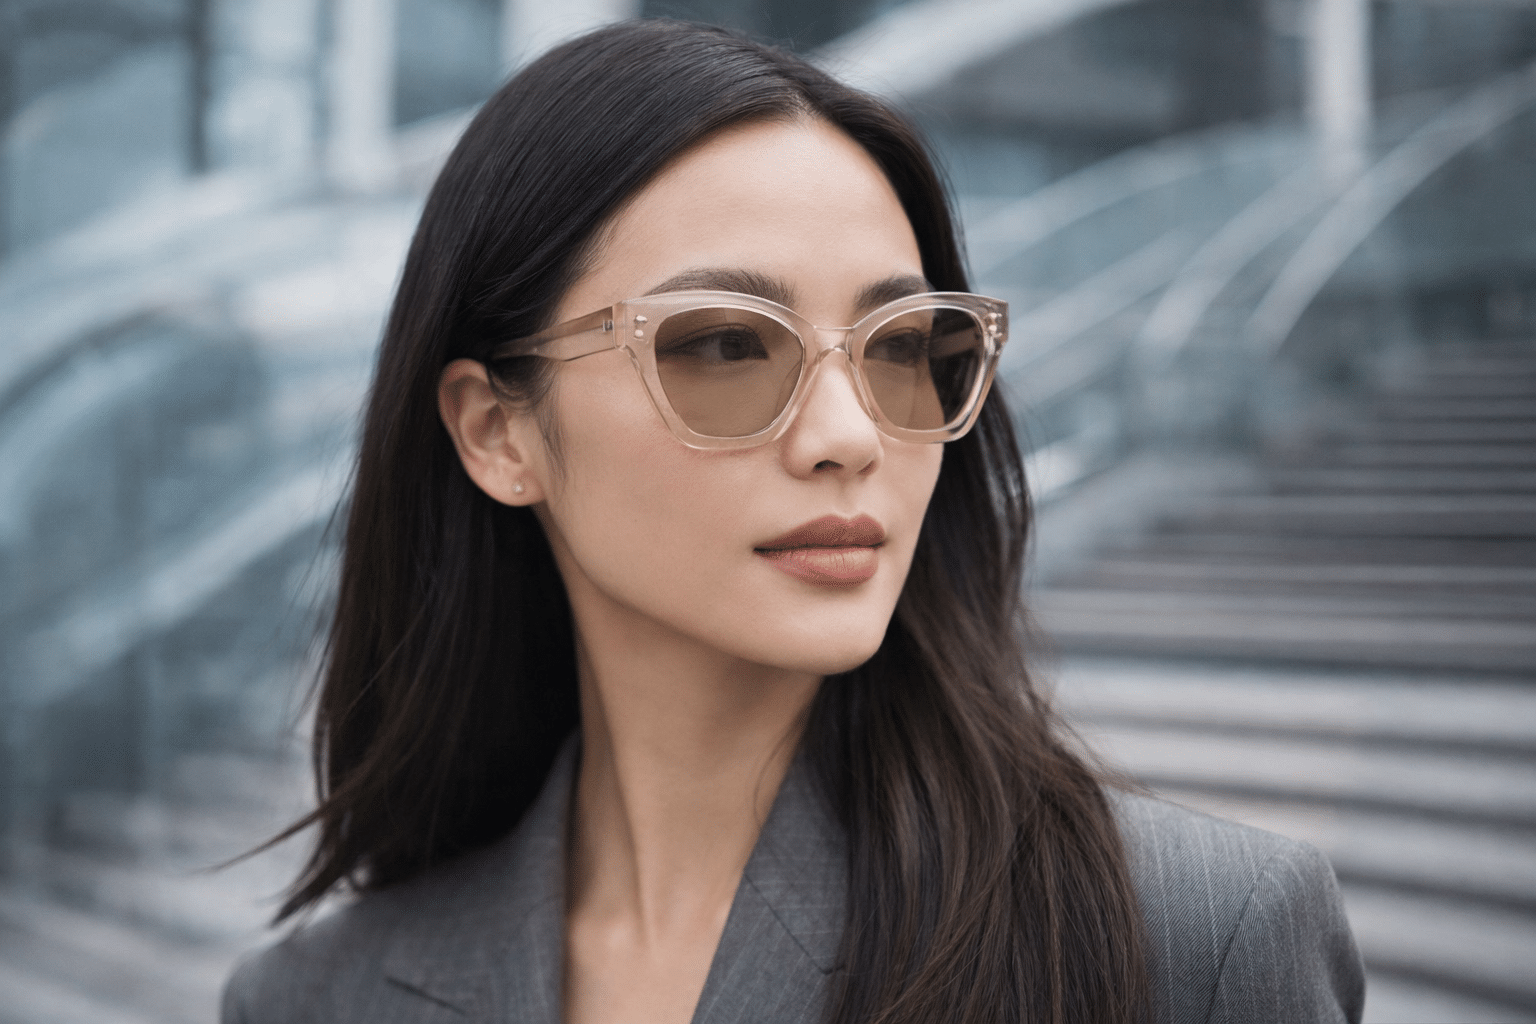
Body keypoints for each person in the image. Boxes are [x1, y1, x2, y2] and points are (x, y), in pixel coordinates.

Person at [222, 19, 1364, 1024]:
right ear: (495, 432)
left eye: (902, 348)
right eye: (724, 344)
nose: (851, 434)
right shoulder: (312, 997)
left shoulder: (1192, 944)